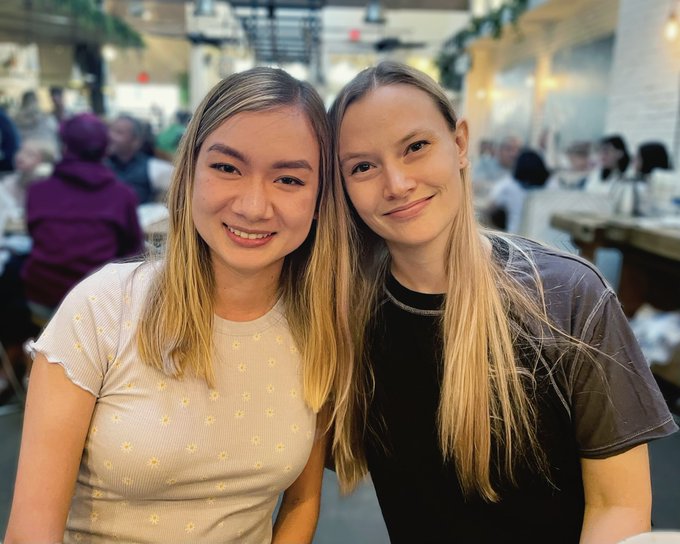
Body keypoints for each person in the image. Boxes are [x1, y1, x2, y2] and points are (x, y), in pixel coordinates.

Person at [327, 61, 677, 544]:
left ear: (460, 144)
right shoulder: (348, 314)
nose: (397, 183)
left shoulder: (568, 297)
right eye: (362, 167)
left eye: (416, 147)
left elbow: (619, 505)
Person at [4, 66, 353, 544]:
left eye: (289, 179)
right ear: (188, 174)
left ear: (319, 200)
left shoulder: (319, 327)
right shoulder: (102, 308)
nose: (253, 206)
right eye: (227, 168)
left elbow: (301, 503)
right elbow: (31, 532)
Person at [20, 113, 144, 323]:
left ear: (64, 147)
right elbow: (132, 251)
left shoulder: (38, 191)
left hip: (44, 296)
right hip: (99, 300)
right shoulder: (122, 195)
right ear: (105, 148)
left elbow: (35, 234)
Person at [106, 113, 174, 204]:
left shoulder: (152, 167)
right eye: (110, 130)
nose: (111, 136)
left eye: (119, 132)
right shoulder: (101, 165)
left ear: (135, 141)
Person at [486, 148, 551, 233]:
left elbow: (489, 209)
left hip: (517, 237)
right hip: (545, 237)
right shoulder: (551, 186)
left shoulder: (508, 186)